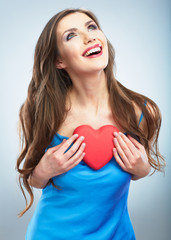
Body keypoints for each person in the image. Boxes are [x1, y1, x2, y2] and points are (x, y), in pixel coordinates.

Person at [16, 8, 165, 240]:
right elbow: (34, 179)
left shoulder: (143, 112)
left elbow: (133, 171)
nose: (90, 37)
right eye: (71, 35)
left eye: (92, 27)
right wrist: (42, 171)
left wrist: (143, 169)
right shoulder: (38, 111)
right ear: (59, 61)